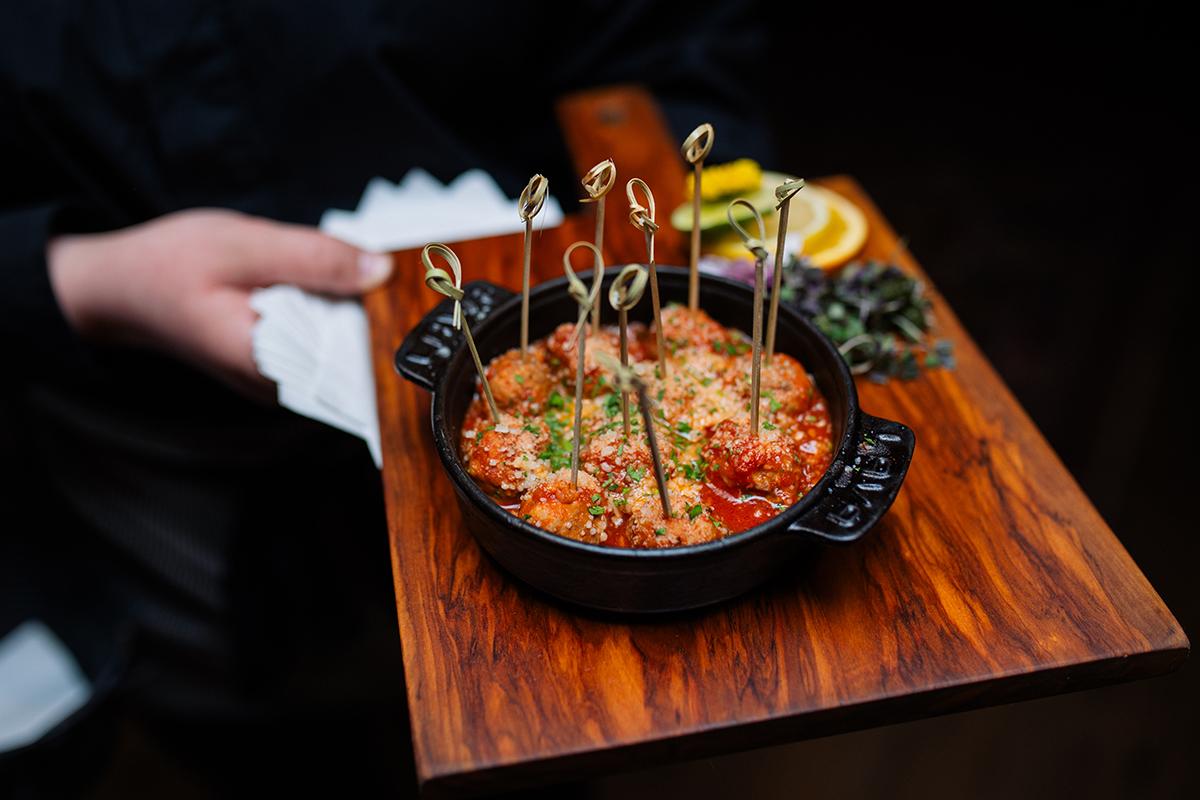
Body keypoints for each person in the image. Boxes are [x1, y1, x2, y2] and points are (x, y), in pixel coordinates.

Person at [1, 1, 769, 793]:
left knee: (534, 738)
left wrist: (693, 230)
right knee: (273, 749)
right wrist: (72, 278)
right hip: (157, 479)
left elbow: (667, 38)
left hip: (563, 309)